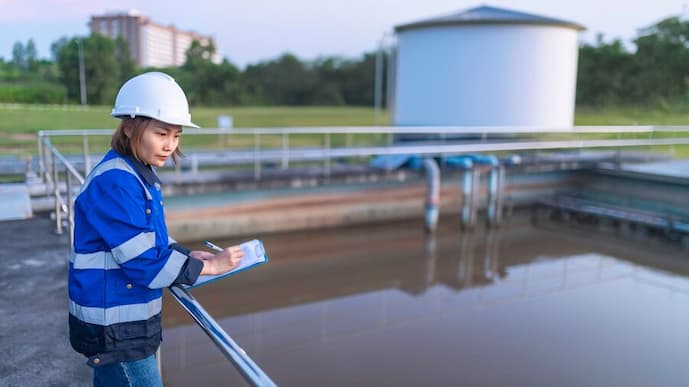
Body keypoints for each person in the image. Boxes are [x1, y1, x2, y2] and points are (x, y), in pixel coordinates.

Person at [68, 71, 244, 387]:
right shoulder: (117, 182)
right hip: (115, 330)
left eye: (176, 135)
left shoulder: (136, 173)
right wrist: (210, 267)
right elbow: (143, 262)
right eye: (162, 133)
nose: (169, 145)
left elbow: (149, 240)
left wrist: (189, 255)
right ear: (130, 125)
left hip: (122, 323)